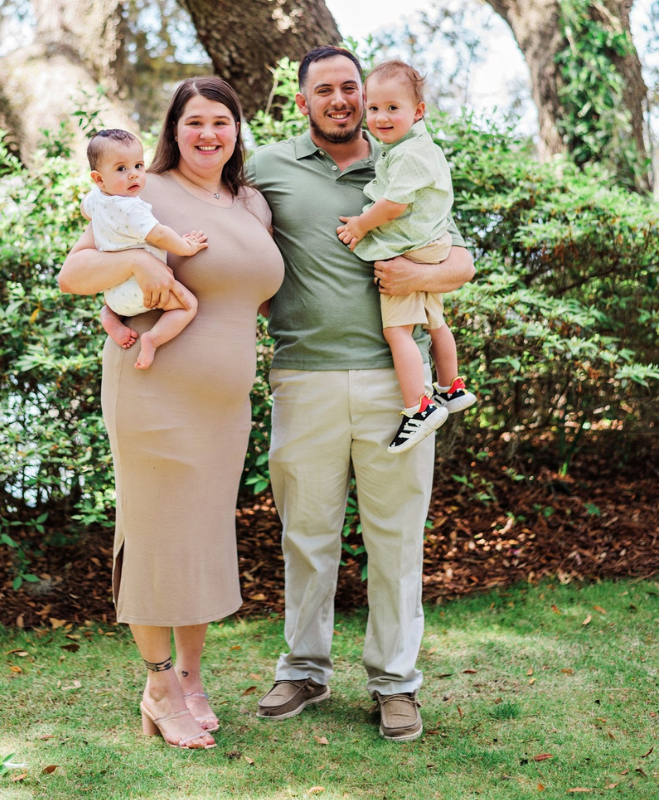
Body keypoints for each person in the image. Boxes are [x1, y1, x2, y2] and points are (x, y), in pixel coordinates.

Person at [246, 46, 475, 741]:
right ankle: (304, 670)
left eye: (352, 87)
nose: (343, 100)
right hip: (303, 378)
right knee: (306, 537)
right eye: (327, 90)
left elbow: (460, 260)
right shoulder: (266, 168)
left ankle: (396, 685)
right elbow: (224, 235)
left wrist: (418, 278)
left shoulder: (404, 157)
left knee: (396, 540)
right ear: (303, 100)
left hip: (394, 385)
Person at [58, 78, 284, 750]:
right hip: (154, 393)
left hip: (223, 406)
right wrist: (130, 259)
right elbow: (75, 275)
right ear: (173, 130)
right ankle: (158, 690)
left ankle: (189, 677)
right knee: (158, 537)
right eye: (194, 123)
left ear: (237, 130)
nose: (208, 134)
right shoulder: (142, 189)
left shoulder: (250, 202)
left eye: (221, 121)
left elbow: (253, 294)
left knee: (202, 536)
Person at [336, 60, 476, 453]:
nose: (381, 117)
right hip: (431, 247)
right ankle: (452, 388)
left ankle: (420, 407)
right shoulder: (411, 147)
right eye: (374, 107)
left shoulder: (409, 154)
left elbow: (394, 204)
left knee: (398, 331)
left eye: (392, 108)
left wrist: (361, 225)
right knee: (435, 322)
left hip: (408, 250)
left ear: (417, 112)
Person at [82, 128, 205, 369]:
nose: (133, 175)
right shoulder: (131, 208)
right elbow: (159, 234)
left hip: (114, 294)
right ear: (98, 178)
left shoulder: (95, 199)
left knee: (108, 308)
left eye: (138, 166)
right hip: (143, 290)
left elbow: (85, 210)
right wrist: (187, 247)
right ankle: (153, 339)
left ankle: (109, 319)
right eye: (121, 169)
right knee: (188, 305)